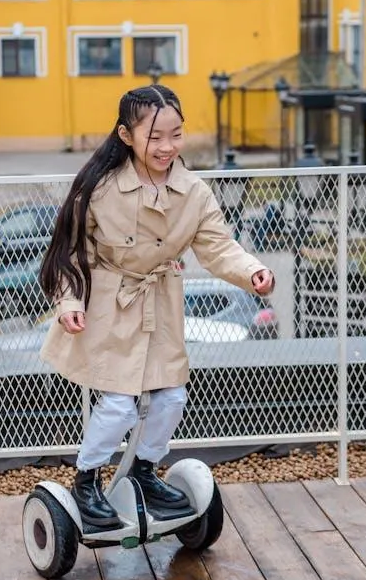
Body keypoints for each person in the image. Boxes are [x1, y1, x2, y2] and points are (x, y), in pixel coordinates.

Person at [39, 84, 275, 530]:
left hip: (161, 303)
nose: (167, 147)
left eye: (176, 135)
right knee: (119, 405)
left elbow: (219, 247)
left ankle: (144, 473)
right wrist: (68, 300)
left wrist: (253, 272)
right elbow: (68, 251)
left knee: (171, 396)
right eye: (155, 137)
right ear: (126, 136)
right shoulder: (101, 188)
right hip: (109, 305)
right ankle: (86, 480)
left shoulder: (194, 192)